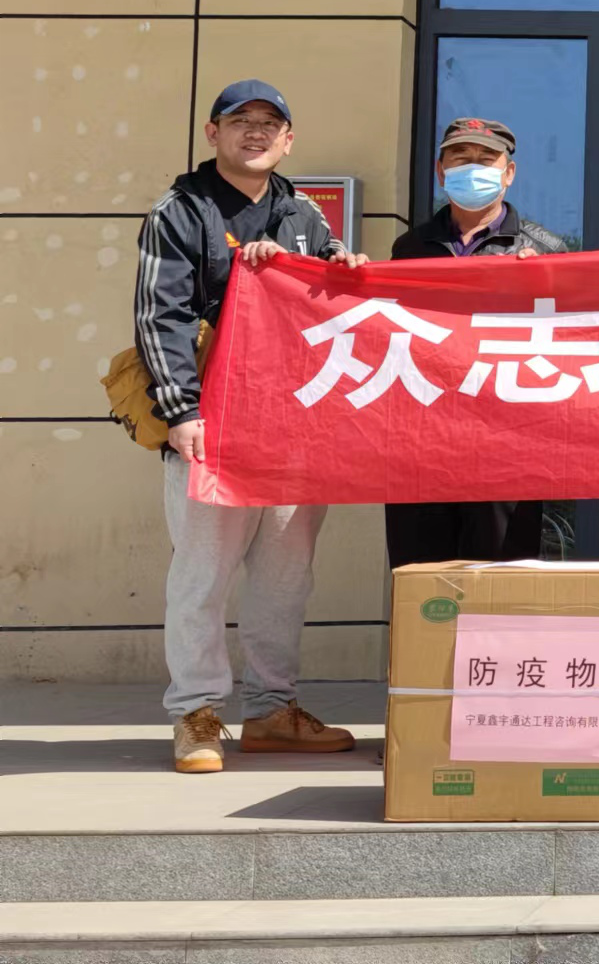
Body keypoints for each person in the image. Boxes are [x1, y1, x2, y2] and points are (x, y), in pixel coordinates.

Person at [135, 79, 369, 773]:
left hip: (295, 426)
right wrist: (180, 412)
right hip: (215, 423)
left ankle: (271, 709)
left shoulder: (303, 213)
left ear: (288, 140)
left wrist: (345, 271)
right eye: (242, 121)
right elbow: (160, 317)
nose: (257, 132)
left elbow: (331, 306)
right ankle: (196, 713)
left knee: (285, 577)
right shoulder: (181, 210)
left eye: (271, 123)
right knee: (202, 574)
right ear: (214, 133)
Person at [383, 117, 566, 567]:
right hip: (423, 435)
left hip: (506, 442)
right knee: (422, 574)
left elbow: (570, 340)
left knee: (500, 577)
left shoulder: (544, 250)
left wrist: (542, 285)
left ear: (509, 173)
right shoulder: (410, 248)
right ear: (440, 172)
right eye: (461, 158)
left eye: (486, 160)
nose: (473, 168)